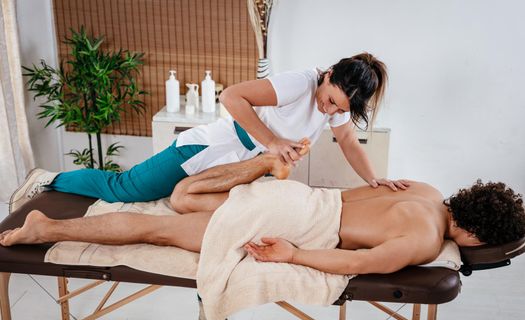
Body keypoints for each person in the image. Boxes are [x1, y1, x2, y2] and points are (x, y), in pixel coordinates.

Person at [10, 52, 408, 214]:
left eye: (339, 108)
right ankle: (49, 178)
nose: (330, 110)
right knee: (123, 189)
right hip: (209, 149)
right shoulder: (299, 84)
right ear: (327, 76)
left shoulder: (336, 105)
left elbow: (349, 142)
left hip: (244, 168)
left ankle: (210, 314)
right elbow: (232, 96)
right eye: (330, 99)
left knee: (217, 228)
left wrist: (374, 179)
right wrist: (272, 143)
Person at [3, 152, 524, 273]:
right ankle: (46, 226)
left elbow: (365, 192)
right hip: (296, 221)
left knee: (184, 196)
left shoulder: (429, 189)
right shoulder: (427, 241)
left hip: (303, 197)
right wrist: (295, 255)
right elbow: (354, 265)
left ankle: (262, 165)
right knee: (156, 229)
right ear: (476, 230)